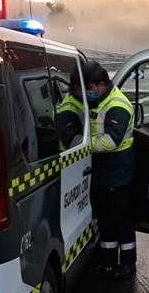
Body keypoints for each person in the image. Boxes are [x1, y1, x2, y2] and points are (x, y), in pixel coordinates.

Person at [81, 60, 138, 281]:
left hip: (118, 171)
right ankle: (107, 261)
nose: (87, 93)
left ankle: (127, 263)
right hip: (102, 172)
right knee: (104, 218)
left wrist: (82, 146)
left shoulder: (118, 105)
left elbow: (112, 140)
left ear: (102, 84)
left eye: (90, 88)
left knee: (121, 218)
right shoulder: (98, 101)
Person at [56, 72, 85, 151]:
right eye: (87, 87)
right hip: (70, 157)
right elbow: (73, 141)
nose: (89, 90)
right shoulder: (67, 111)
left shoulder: (81, 100)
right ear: (76, 88)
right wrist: (95, 143)